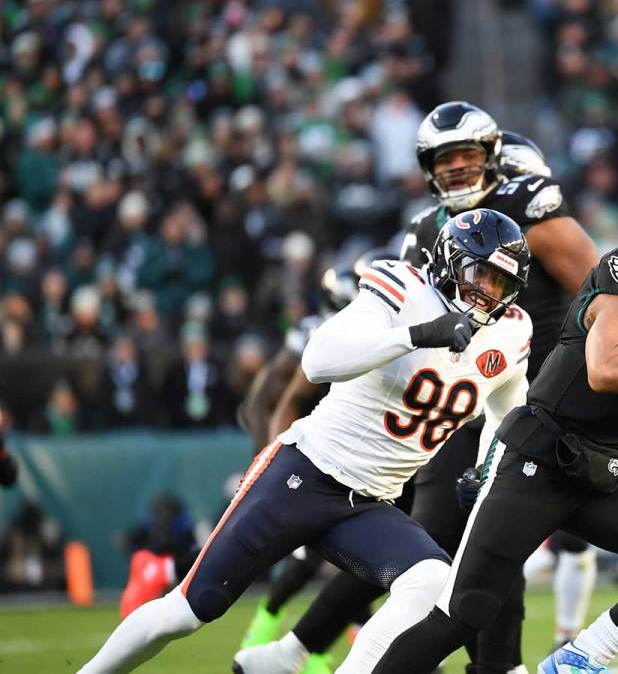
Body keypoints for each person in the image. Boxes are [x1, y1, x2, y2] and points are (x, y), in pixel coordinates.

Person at [79, 209, 533, 674]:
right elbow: (317, 361)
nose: (487, 292)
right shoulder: (404, 290)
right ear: (447, 262)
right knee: (189, 611)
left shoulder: (512, 333)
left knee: (432, 580)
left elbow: (508, 413)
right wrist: (415, 335)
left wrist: (487, 467)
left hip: (368, 504)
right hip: (305, 471)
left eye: (501, 283)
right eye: (480, 274)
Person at [237, 106, 599, 674]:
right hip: (456, 402)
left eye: (469, 158)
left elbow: (603, 298)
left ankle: (299, 649)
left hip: (524, 397)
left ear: (499, 162)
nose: (457, 170)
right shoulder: (427, 230)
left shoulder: (530, 211)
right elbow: (402, 316)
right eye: (444, 160)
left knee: (479, 543)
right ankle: (303, 649)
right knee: (442, 545)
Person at [368, 167, 618, 674]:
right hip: (542, 462)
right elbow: (608, 369)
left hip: (609, 467)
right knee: (463, 612)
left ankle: (578, 660)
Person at [235, 251, 395, 666]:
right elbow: (266, 402)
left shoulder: (391, 332)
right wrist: (272, 456)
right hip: (312, 454)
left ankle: (317, 648)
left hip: (360, 458)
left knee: (351, 558)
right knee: (293, 551)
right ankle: (277, 631)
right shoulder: (314, 336)